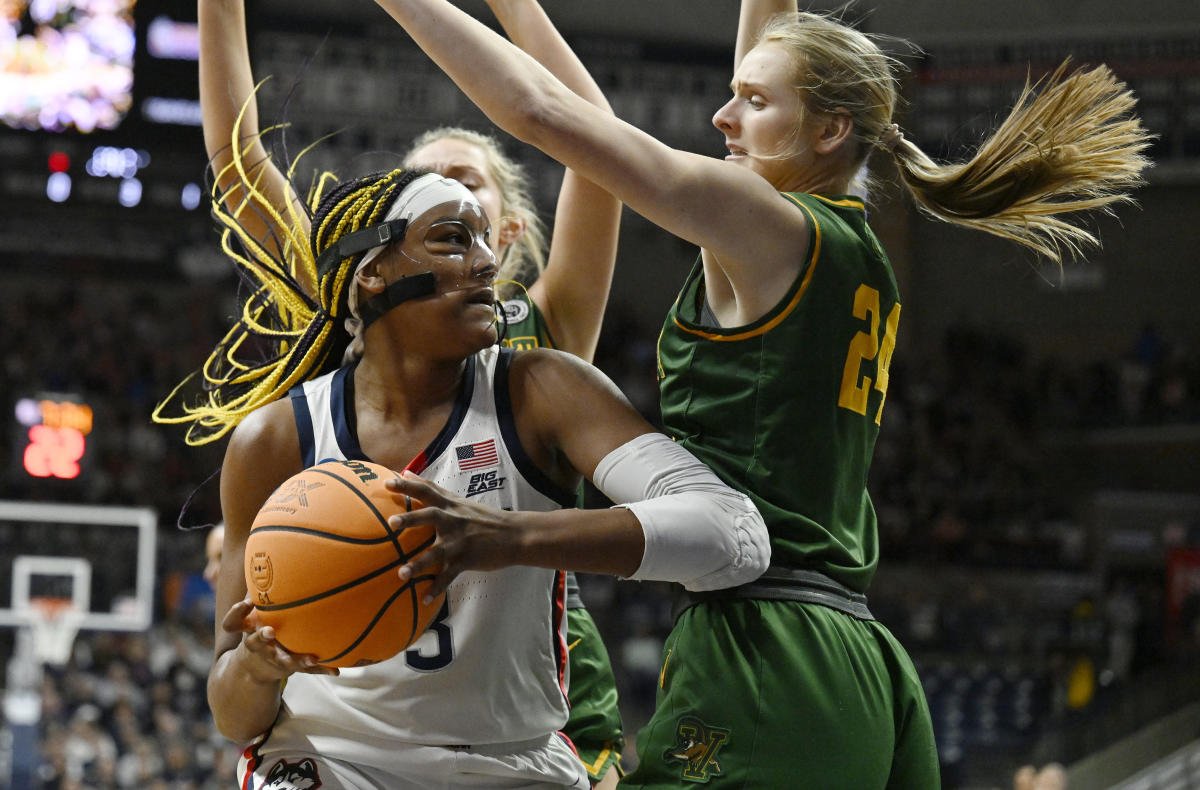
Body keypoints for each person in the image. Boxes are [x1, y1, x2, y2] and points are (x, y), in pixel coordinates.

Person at [363, 0, 1152, 785]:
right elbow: (774, 33)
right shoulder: (830, 241)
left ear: (830, 130)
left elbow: (537, 111)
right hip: (859, 656)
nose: (722, 116)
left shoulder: (768, 226)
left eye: (753, 101)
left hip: (766, 644)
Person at [157, 167, 770, 788]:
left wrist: (509, 537)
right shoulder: (278, 438)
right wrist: (259, 669)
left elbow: (738, 536)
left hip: (513, 759)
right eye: (452, 238)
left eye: (484, 240)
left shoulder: (541, 390)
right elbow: (234, 717)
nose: (485, 263)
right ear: (370, 271)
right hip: (331, 758)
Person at [190, 0, 625, 783]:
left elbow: (594, 140)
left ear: (510, 231)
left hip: (525, 690)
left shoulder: (543, 334)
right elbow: (239, 167)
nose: (441, 196)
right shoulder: (352, 312)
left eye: (464, 184)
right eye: (421, 189)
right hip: (360, 715)